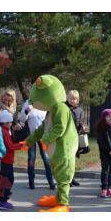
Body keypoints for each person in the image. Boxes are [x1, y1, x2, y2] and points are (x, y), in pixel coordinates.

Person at [25, 75, 78, 212]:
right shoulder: (51, 110)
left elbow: (59, 128)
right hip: (56, 149)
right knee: (59, 174)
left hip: (64, 148)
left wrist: (45, 140)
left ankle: (63, 205)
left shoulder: (61, 108)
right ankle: (59, 199)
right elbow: (42, 128)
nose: (33, 102)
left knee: (64, 176)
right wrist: (28, 141)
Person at [20, 92, 55, 190]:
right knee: (31, 158)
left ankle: (51, 182)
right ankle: (31, 182)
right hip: (31, 136)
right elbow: (22, 119)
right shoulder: (27, 103)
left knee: (46, 158)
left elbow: (49, 118)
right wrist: (27, 111)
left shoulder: (44, 102)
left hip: (43, 136)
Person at [0, 110, 24, 210]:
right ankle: (2, 201)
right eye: (9, 122)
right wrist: (22, 145)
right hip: (6, 160)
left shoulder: (4, 130)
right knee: (8, 180)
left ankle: (4, 196)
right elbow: (10, 146)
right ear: (4, 122)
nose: (10, 124)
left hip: (6, 160)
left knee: (7, 180)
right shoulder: (4, 132)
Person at [96, 109, 111, 198]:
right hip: (105, 153)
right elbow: (101, 142)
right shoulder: (101, 128)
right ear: (104, 118)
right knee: (105, 170)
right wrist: (109, 151)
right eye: (108, 116)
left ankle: (109, 188)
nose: (110, 118)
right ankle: (104, 188)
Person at [66, 90, 85, 187]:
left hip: (75, 137)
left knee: (73, 159)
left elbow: (81, 121)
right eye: (71, 98)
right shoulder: (65, 108)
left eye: (75, 99)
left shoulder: (80, 110)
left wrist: (82, 127)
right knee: (67, 160)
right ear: (68, 98)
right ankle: (67, 179)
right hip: (67, 137)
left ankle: (72, 178)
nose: (73, 101)